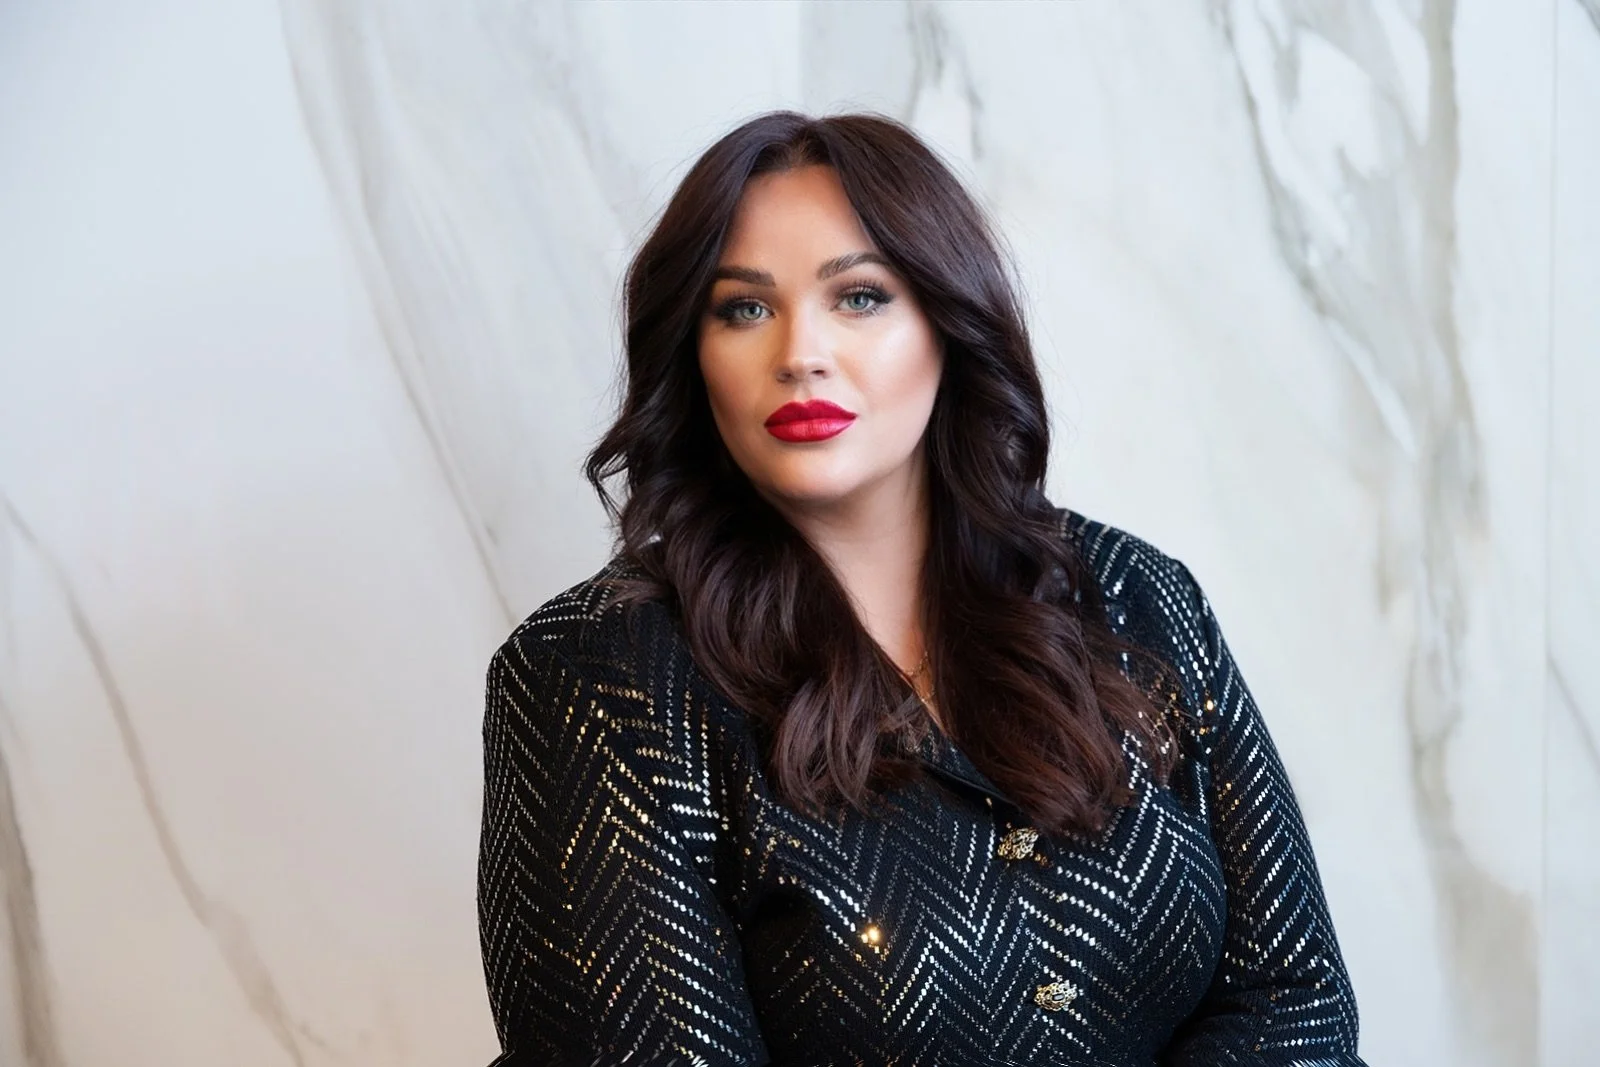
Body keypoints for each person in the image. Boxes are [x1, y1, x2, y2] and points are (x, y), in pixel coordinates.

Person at [476, 110, 1366, 1067]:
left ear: (948, 323)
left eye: (859, 297)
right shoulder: (599, 679)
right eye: (744, 309)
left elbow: (1298, 1001)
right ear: (693, 355)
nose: (800, 352)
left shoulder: (1130, 592)